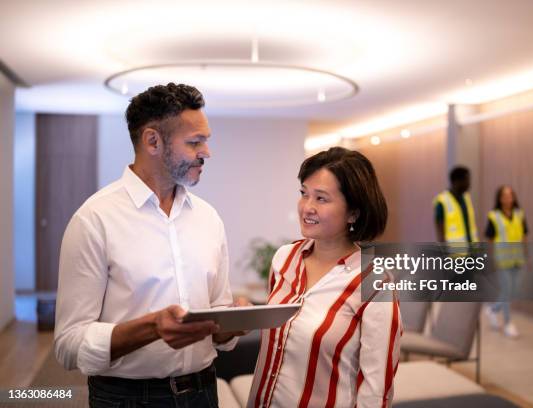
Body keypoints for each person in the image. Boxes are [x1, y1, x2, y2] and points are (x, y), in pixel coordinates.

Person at [54, 83, 244, 407]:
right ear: (152, 141)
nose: (206, 153)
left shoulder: (209, 219)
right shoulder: (94, 220)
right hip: (128, 399)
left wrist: (232, 324)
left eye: (206, 141)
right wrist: (151, 327)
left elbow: (218, 318)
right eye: (194, 142)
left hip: (203, 392)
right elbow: (68, 345)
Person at [247, 147, 402, 408]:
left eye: (321, 199)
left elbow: (376, 392)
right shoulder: (285, 258)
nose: (307, 207)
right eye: (303, 194)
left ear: (353, 212)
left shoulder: (374, 283)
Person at [484, 185, 529, 339]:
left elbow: (524, 236)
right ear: (499, 198)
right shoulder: (494, 216)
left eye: (510, 195)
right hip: (502, 260)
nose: (508, 198)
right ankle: (508, 323)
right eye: (505, 195)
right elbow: (489, 240)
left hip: (517, 259)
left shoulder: (519, 214)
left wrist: (527, 256)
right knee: (507, 290)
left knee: (512, 291)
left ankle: (493, 310)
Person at [433, 166, 479, 244]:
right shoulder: (442, 202)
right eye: (466, 180)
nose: (469, 183)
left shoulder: (466, 198)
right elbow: (440, 232)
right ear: (456, 181)